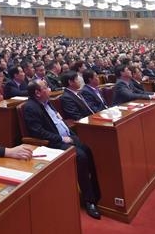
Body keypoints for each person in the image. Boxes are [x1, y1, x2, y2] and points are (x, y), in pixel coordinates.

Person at [22, 79, 102, 219]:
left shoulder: (48, 103)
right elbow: (37, 132)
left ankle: (96, 192)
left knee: (89, 150)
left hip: (68, 137)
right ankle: (89, 200)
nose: (49, 89)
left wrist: (70, 135)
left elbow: (58, 121)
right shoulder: (30, 107)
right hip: (52, 143)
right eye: (46, 87)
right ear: (37, 92)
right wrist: (61, 139)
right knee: (81, 157)